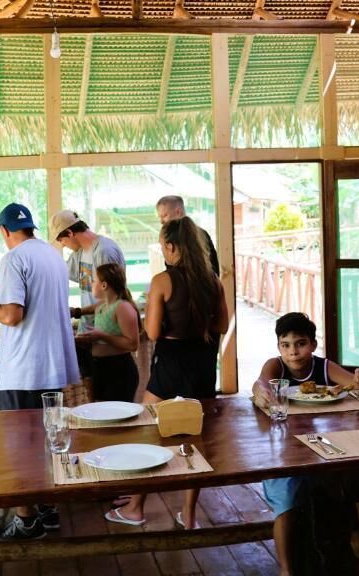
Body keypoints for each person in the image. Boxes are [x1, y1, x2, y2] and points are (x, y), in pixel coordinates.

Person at [0, 203, 80, 539]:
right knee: (48, 442)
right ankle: (50, 510)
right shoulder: (53, 256)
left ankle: (26, 521)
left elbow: (12, 315)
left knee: (19, 448)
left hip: (25, 369)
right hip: (53, 366)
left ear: (5, 231)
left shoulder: (13, 259)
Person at [105, 216, 229, 529]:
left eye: (163, 246)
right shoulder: (212, 281)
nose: (163, 252)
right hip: (202, 366)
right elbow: (223, 326)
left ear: (172, 247)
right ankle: (188, 516)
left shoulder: (163, 280)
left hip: (171, 364)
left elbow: (153, 332)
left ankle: (135, 508)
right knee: (193, 441)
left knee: (147, 433)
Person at [251, 312, 359, 576]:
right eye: (286, 345)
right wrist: (261, 390)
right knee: (286, 497)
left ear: (313, 345)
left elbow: (358, 387)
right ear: (278, 348)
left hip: (323, 447)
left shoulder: (324, 366)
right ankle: (286, 569)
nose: (293, 351)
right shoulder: (277, 367)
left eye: (300, 343)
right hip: (284, 452)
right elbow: (261, 382)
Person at [50, 210, 126, 378]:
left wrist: (77, 312)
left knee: (109, 399)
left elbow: (112, 302)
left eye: (61, 239)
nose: (62, 245)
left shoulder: (104, 251)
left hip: (107, 338)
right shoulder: (79, 253)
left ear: (70, 233)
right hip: (89, 334)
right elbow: (59, 272)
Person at [74, 263, 140, 402]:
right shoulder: (102, 306)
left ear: (104, 285)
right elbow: (89, 312)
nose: (91, 283)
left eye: (94, 281)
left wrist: (101, 336)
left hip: (119, 370)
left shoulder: (123, 307)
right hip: (100, 367)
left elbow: (132, 344)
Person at [155, 195, 219, 276]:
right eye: (160, 217)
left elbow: (214, 267)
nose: (161, 221)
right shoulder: (168, 236)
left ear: (178, 212)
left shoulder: (200, 235)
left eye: (164, 216)